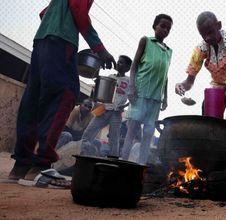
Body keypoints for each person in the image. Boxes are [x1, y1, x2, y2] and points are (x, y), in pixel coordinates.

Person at [8, 0, 116, 182]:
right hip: (62, 44)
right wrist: (99, 49)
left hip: (41, 43)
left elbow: (44, 13)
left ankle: (21, 166)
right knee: (63, 96)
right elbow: (78, 10)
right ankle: (41, 166)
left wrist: (56, 23)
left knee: (33, 100)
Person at [175, 11, 226, 176]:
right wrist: (182, 86)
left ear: (219, 26)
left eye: (210, 32)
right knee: (209, 126)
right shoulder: (201, 49)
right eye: (203, 34)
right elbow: (190, 80)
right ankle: (209, 169)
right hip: (217, 88)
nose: (207, 38)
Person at [121, 14, 173, 165]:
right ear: (155, 26)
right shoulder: (146, 41)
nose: (165, 30)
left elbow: (166, 75)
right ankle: (123, 163)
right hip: (140, 93)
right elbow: (134, 65)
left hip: (156, 98)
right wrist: (131, 87)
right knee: (132, 129)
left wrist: (166, 97)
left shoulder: (168, 51)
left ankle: (141, 166)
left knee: (148, 133)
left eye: (168, 28)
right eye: (162, 26)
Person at [80, 55, 132, 157]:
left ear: (127, 68)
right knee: (89, 131)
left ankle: (113, 158)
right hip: (103, 109)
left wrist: (124, 106)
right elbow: (99, 92)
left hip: (116, 113)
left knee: (114, 137)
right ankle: (82, 153)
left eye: (121, 63)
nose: (117, 64)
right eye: (118, 62)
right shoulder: (110, 77)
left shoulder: (129, 81)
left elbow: (133, 97)